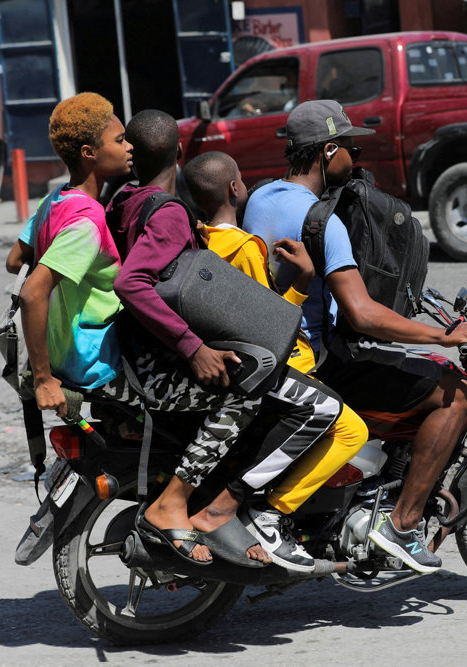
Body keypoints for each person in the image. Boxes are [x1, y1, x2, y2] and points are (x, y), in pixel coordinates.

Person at [243, 99, 467, 574]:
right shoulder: (323, 222)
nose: (354, 161)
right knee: (456, 393)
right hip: (318, 361)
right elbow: (361, 315)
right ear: (328, 151)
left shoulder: (260, 198)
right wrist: (444, 335)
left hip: (271, 351)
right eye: (350, 150)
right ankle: (401, 526)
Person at [107, 110, 342, 571]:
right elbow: (131, 283)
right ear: (178, 153)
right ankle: (201, 506)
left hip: (137, 353)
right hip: (163, 361)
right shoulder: (171, 215)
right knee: (303, 402)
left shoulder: (126, 200)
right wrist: (192, 347)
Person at [183, 150, 368, 556]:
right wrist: (303, 280)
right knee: (352, 429)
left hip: (238, 358)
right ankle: (269, 513)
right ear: (234, 189)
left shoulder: (201, 239)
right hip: (274, 362)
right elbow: (269, 327)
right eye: (242, 178)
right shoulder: (244, 248)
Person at [13, 92, 134, 421]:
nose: (129, 147)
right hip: (95, 361)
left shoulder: (55, 200)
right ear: (89, 153)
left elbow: (14, 260)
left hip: (63, 351)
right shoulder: (86, 223)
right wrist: (42, 380)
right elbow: (32, 292)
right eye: (120, 140)